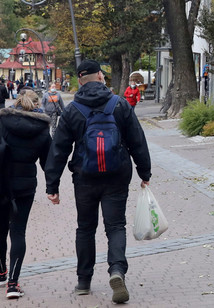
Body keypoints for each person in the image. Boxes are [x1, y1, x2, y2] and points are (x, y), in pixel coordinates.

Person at [46, 60, 152, 304]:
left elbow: (59, 149)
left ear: (81, 80)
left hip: (84, 177)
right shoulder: (120, 105)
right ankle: (117, 271)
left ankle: (84, 281)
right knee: (115, 226)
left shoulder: (73, 110)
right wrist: (144, 173)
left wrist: (52, 185)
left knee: (85, 228)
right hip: (117, 175)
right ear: (101, 77)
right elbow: (138, 140)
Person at [0, 89, 52, 299]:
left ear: (17, 102)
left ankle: (1, 272)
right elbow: (48, 162)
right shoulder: (41, 130)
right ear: (37, 104)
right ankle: (12, 284)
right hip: (25, 185)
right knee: (18, 231)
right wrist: (52, 187)